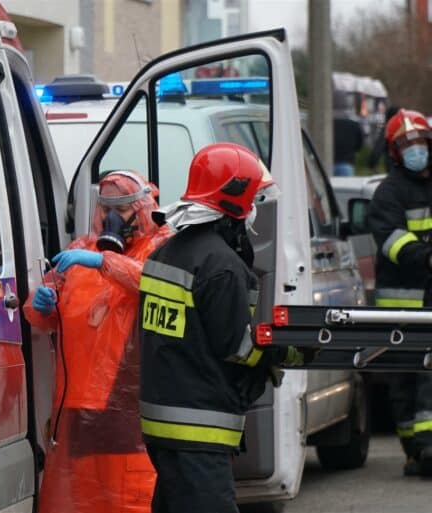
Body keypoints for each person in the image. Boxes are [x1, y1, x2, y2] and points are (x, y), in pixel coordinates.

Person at [138, 143, 309, 512]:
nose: (254, 213)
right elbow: (239, 347)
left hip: (162, 422)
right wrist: (288, 350)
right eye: (253, 201)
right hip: (199, 427)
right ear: (234, 201)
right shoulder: (222, 265)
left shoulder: (165, 254)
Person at [23, 170, 172, 513]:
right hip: (76, 412)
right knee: (79, 502)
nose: (111, 218)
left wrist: (104, 261)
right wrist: (43, 302)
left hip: (128, 412)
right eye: (105, 208)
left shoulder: (160, 248)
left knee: (131, 500)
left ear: (142, 208)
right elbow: (39, 313)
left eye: (120, 209)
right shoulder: (79, 252)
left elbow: (153, 282)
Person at [365, 108, 432, 476]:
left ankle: (426, 447)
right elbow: (393, 241)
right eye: (407, 144)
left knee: (428, 375)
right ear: (394, 151)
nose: (416, 149)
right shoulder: (388, 193)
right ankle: (414, 449)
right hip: (401, 304)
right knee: (403, 381)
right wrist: (427, 258)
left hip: (428, 300)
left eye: (420, 141)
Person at [333, 91, 364, 177]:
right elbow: (359, 145)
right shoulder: (353, 124)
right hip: (347, 164)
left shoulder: (326, 124)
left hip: (328, 163)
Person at [367, 105, 400, 172]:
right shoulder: (404, 129)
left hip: (392, 167)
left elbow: (378, 147)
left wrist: (372, 163)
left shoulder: (387, 130)